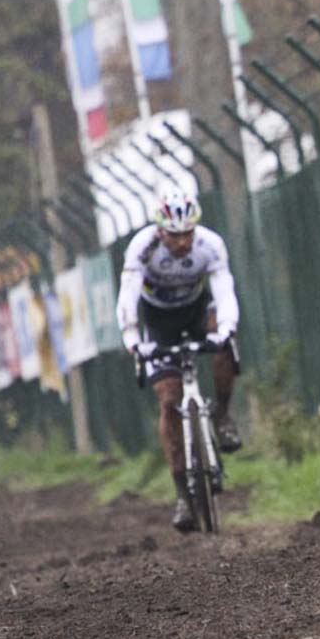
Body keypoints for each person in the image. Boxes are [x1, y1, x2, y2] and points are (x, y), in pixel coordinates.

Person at [115, 186, 242, 531]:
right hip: (159, 324)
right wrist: (131, 339)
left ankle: (223, 415)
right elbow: (128, 296)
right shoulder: (143, 248)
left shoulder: (210, 245)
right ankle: (183, 496)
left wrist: (227, 328)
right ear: (160, 230)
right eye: (175, 235)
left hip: (198, 313)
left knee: (226, 343)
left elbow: (225, 290)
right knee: (169, 401)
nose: (183, 242)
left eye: (188, 233)